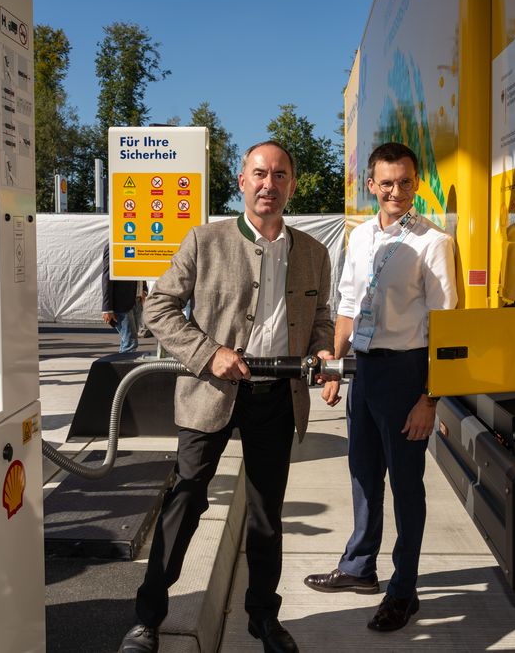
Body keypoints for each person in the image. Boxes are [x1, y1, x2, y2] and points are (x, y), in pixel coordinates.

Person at [119, 141, 336, 653]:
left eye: (280, 175)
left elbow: (320, 319)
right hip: (211, 391)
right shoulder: (205, 240)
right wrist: (208, 352)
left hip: (277, 397)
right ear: (241, 182)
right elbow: (160, 308)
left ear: (292, 184)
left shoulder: (313, 253)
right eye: (259, 174)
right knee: (187, 499)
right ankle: (148, 618)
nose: (269, 184)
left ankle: (263, 616)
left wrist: (324, 353)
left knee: (266, 513)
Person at [304, 142, 457, 632]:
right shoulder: (362, 236)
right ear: (371, 185)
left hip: (407, 372)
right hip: (365, 371)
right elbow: (347, 305)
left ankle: (403, 591)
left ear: (417, 184)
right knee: (363, 472)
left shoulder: (434, 243)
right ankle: (359, 568)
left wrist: (429, 398)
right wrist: (335, 367)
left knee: (407, 486)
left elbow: (445, 326)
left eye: (405, 182)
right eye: (386, 183)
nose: (395, 191)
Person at [102, 243, 140, 353]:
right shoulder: (113, 245)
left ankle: (122, 368)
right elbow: (106, 276)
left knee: (128, 342)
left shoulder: (136, 242)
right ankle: (125, 369)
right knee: (130, 343)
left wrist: (143, 288)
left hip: (134, 299)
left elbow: (140, 269)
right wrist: (107, 308)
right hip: (121, 302)